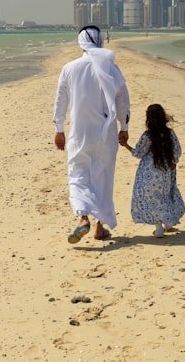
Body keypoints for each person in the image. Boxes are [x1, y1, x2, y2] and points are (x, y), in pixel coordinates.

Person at [53, 26, 130, 243]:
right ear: (100, 42)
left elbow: (61, 100)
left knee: (78, 174)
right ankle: (99, 227)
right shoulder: (112, 69)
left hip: (80, 133)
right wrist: (124, 127)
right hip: (106, 134)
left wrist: (59, 129)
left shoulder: (69, 68)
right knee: (103, 177)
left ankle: (83, 218)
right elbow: (122, 101)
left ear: (81, 43)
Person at [120, 103, 185, 238]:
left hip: (148, 173)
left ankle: (159, 228)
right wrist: (173, 163)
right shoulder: (170, 134)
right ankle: (168, 223)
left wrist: (125, 145)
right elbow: (177, 151)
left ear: (148, 119)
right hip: (165, 172)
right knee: (165, 197)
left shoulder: (148, 135)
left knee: (151, 200)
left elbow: (138, 153)